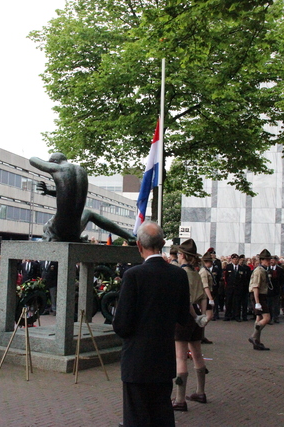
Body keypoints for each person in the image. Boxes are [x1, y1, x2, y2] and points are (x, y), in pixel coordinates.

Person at [112, 221, 193, 427]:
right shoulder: (178, 275)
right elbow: (184, 318)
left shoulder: (133, 275)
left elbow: (121, 324)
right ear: (163, 242)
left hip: (136, 361)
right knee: (162, 415)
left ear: (139, 245)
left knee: (136, 417)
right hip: (164, 360)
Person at [29, 153, 135, 243]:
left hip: (60, 229)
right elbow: (69, 193)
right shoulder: (81, 171)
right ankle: (129, 236)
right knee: (89, 213)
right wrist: (48, 191)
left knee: (46, 227)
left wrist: (49, 164)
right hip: (75, 230)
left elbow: (32, 160)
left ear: (54, 162)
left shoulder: (57, 168)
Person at [171, 239, 209, 412]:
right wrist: (200, 316)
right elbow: (203, 297)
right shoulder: (196, 273)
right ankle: (200, 392)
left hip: (183, 317)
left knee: (180, 357)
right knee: (197, 354)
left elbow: (183, 300)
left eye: (179, 254)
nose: (177, 256)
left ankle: (179, 399)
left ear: (183, 256)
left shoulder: (179, 274)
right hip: (197, 317)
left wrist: (192, 316)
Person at [248, 249, 273, 350]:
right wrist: (257, 302)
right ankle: (253, 336)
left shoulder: (263, 270)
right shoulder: (259, 271)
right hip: (258, 296)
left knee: (259, 318)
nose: (269, 261)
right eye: (267, 259)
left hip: (261, 295)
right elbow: (255, 287)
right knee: (266, 318)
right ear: (262, 260)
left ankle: (257, 342)